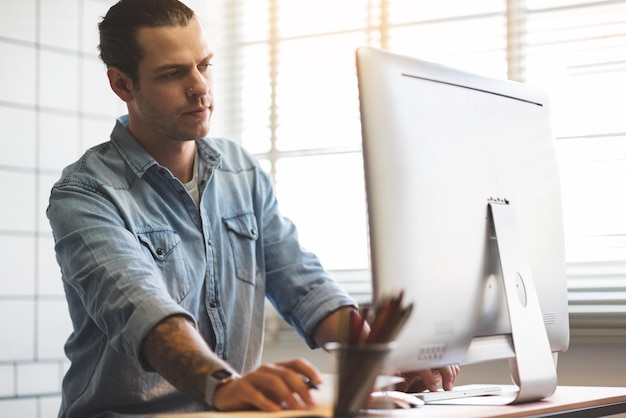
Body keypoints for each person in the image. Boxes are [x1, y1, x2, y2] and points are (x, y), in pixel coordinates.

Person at [47, 0, 459, 416]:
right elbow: (141, 310)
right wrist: (223, 386)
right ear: (122, 85)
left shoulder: (240, 171)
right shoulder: (85, 193)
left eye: (204, 65)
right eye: (173, 73)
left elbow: (303, 284)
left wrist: (380, 356)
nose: (200, 87)